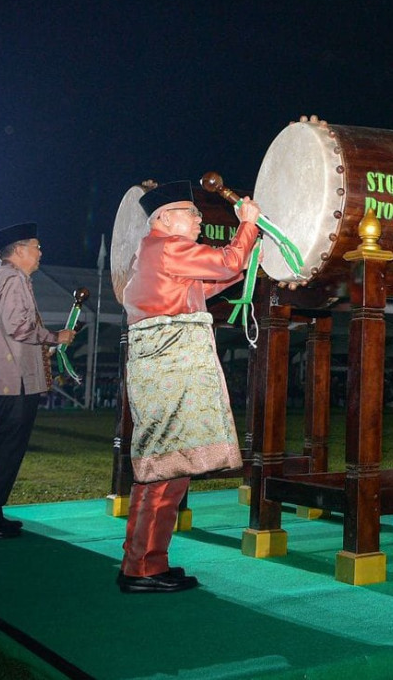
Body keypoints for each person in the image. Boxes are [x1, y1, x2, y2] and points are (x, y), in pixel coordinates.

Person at [116, 180, 260, 594]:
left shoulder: (160, 253)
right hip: (170, 368)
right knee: (162, 470)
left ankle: (147, 561)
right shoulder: (165, 246)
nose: (199, 220)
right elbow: (226, 265)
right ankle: (141, 568)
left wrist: (246, 257)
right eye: (191, 213)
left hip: (168, 367)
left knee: (170, 467)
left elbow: (209, 283)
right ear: (164, 218)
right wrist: (246, 229)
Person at [0, 222, 75, 539]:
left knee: (5, 450)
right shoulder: (12, 278)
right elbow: (20, 328)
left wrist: (43, 349)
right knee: (5, 451)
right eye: (37, 247)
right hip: (14, 383)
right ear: (20, 250)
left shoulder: (6, 277)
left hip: (13, 379)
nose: (41, 252)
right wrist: (57, 336)